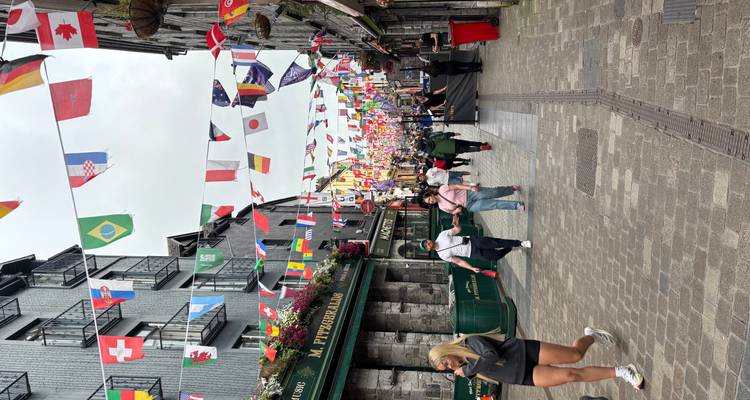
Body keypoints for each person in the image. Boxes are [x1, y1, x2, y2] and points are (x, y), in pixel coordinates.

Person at [428, 329, 645, 390]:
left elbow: (492, 355)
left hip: (524, 353)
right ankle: (623, 371)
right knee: (571, 375)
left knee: (575, 355)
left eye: (445, 363)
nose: (449, 367)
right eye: (445, 368)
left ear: (447, 352)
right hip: (523, 376)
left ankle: (592, 336)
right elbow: (492, 373)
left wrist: (466, 372)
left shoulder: (470, 343)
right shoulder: (469, 368)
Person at [420, 215, 530, 271]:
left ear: (429, 240)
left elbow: (457, 230)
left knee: (496, 243)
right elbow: (458, 261)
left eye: (426, 242)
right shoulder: (442, 255)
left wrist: (456, 224)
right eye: (426, 246)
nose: (428, 244)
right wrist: (471, 268)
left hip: (473, 241)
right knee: (496, 256)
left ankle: (520, 243)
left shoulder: (442, 235)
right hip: (472, 254)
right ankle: (511, 246)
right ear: (428, 250)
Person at [418, 184, 525, 213]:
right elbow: (452, 212)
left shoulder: (442, 189)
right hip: (470, 206)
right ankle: (517, 205)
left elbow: (457, 186)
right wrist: (456, 211)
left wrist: (470, 187)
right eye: (429, 202)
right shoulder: (441, 207)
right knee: (494, 204)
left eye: (429, 199)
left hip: (469, 194)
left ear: (430, 195)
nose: (431, 201)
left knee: (494, 192)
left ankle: (511, 189)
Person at [423, 131, 492, 160]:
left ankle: (480, 148)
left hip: (454, 150)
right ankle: (482, 144)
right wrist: (453, 134)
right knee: (468, 143)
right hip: (453, 142)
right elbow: (443, 136)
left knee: (468, 149)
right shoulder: (431, 139)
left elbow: (443, 155)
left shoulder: (431, 152)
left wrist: (453, 155)